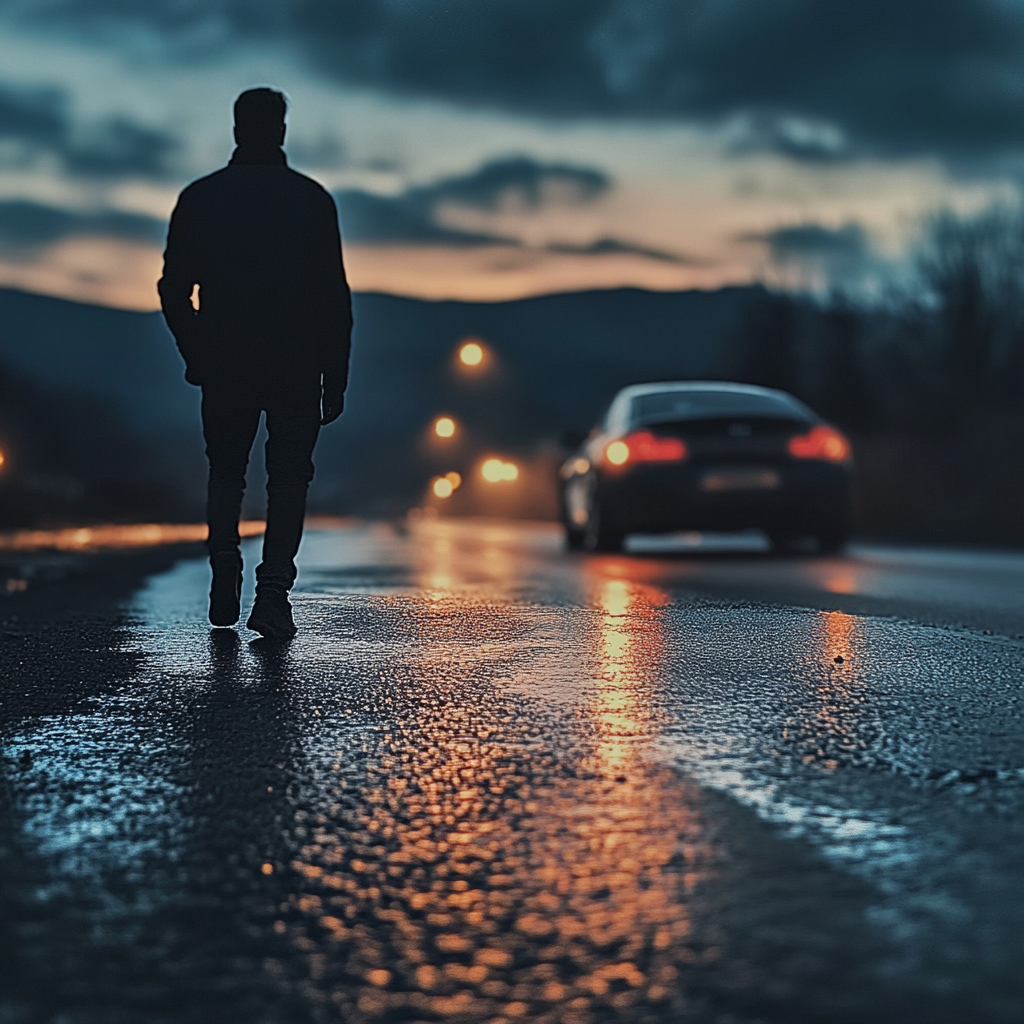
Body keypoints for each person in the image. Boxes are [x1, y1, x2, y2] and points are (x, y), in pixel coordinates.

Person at [158, 87, 352, 639]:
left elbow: (174, 289)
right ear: (282, 130)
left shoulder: (201, 197)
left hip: (226, 363)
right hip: (296, 364)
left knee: (226, 472)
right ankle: (272, 594)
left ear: (237, 128)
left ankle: (225, 563)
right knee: (289, 480)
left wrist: (196, 352)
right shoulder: (312, 200)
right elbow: (333, 298)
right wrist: (334, 376)